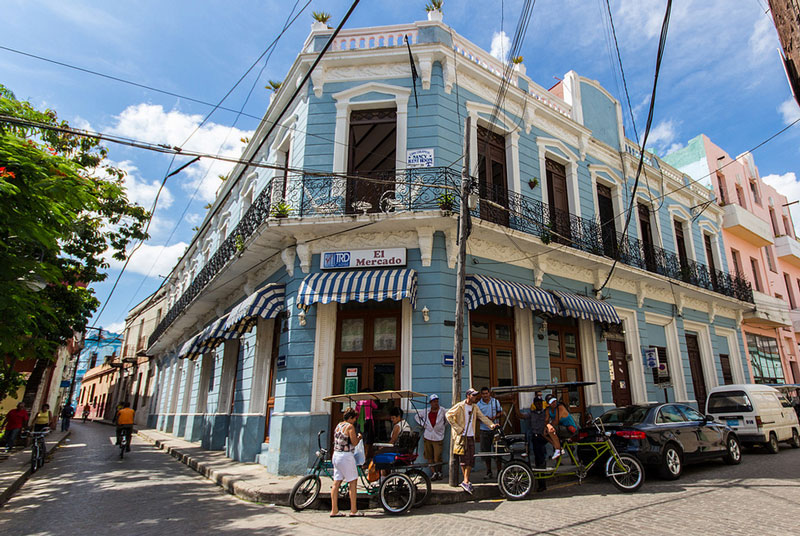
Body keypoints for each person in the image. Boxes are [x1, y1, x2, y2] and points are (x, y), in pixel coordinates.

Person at [445, 388, 499, 494]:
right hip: (462, 436)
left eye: (475, 395)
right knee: (463, 458)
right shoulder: (460, 406)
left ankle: (465, 480)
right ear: (468, 396)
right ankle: (466, 480)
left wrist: (491, 425)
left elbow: (482, 417)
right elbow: (448, 415)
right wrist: (458, 428)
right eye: (473, 395)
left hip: (471, 435)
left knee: (471, 459)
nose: (475, 397)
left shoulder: (475, 407)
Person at [330, 407, 363, 517]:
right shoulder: (350, 427)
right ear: (350, 418)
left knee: (336, 483)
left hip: (336, 455)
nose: (355, 421)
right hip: (346, 456)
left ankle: (334, 510)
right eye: (354, 419)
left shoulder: (338, 425)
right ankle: (353, 510)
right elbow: (354, 442)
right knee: (352, 482)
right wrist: (359, 437)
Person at [518, 391, 549, 491]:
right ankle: (540, 483)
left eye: (541, 403)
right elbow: (521, 416)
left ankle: (542, 484)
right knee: (537, 460)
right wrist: (515, 404)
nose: (539, 405)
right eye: (537, 403)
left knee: (541, 460)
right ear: (535, 404)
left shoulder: (545, 413)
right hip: (535, 438)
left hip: (543, 437)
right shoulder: (532, 414)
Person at [413, 394, 448, 480]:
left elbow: (448, 419)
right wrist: (423, 425)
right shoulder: (426, 411)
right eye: (434, 401)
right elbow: (416, 416)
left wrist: (443, 426)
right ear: (430, 403)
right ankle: (434, 473)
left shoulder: (442, 410)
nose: (436, 403)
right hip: (428, 436)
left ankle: (439, 472)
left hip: (438, 437)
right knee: (429, 456)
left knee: (437, 457)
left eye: (437, 401)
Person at [476, 387, 504, 479]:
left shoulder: (495, 402)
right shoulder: (478, 405)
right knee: (486, 452)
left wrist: (494, 416)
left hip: (495, 429)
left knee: (498, 450)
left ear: (489, 393)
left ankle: (499, 471)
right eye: (483, 394)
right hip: (484, 430)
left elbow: (501, 413)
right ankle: (488, 471)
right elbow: (476, 417)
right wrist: (484, 419)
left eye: (486, 393)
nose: (485, 395)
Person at [545, 394, 577, 459]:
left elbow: (556, 421)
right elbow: (546, 421)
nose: (554, 403)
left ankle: (558, 449)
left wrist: (548, 426)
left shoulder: (560, 407)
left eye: (554, 401)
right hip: (561, 428)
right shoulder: (548, 410)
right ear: (548, 404)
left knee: (550, 430)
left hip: (570, 429)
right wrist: (547, 426)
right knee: (544, 432)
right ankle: (559, 448)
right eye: (551, 402)